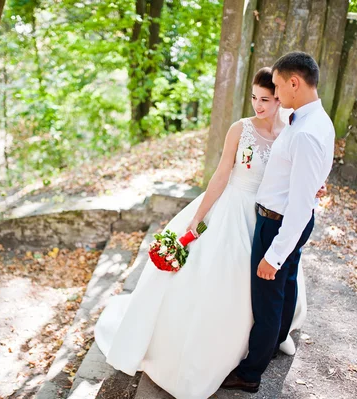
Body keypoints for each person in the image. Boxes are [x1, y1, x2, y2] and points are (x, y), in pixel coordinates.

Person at [94, 66, 316, 399]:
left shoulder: (290, 132)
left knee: (265, 284)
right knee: (217, 278)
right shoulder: (239, 130)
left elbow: (296, 177)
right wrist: (198, 218)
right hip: (230, 208)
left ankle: (256, 346)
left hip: (266, 217)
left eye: (266, 99)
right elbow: (221, 176)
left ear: (280, 98)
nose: (258, 105)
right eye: (254, 98)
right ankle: (204, 355)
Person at [221, 52, 335, 394]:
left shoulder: (304, 132)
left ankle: (251, 373)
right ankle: (275, 344)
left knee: (267, 297)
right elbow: (304, 178)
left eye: (279, 88)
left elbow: (300, 205)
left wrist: (275, 254)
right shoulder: (314, 119)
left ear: (295, 83)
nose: (277, 95)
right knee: (285, 290)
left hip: (280, 223)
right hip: (288, 219)